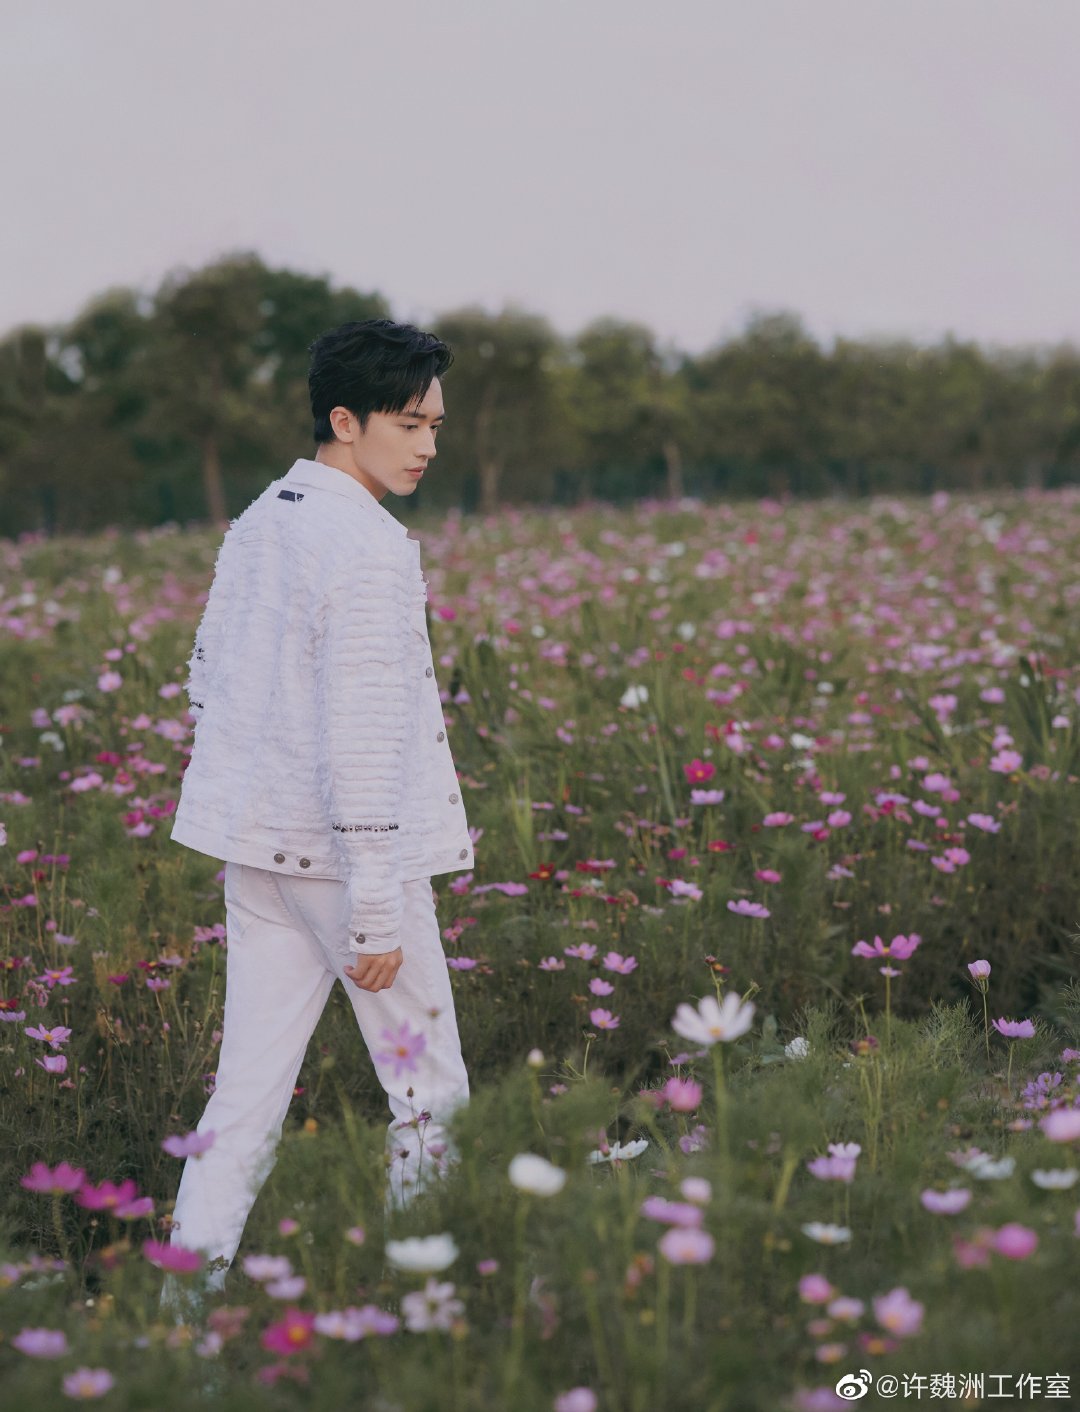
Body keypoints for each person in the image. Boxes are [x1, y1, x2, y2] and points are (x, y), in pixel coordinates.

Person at [159, 319, 475, 1313]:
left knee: (244, 1101)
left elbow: (206, 676)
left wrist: (260, 796)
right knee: (431, 1095)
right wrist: (375, 903)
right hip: (347, 867)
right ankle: (424, 1310)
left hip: (260, 854)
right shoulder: (366, 545)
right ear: (345, 420)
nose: (427, 446)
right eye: (408, 423)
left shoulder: (263, 518)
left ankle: (180, 1330)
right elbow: (365, 737)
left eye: (435, 425)